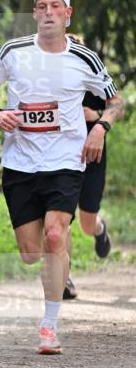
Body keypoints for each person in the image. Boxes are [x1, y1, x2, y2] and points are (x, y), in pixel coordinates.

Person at [0, 0, 124, 355]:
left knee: (55, 236)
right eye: (40, 6)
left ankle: (49, 326)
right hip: (20, 161)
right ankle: (59, 255)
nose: (47, 12)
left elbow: (116, 101)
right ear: (34, 13)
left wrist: (101, 129)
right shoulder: (14, 52)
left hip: (65, 160)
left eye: (55, 6)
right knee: (31, 253)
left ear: (67, 13)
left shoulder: (85, 58)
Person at [63, 89, 112, 300]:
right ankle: (64, 277)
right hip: (60, 154)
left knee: (87, 224)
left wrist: (97, 116)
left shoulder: (90, 66)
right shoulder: (47, 69)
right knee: (61, 218)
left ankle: (99, 228)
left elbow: (117, 106)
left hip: (92, 155)